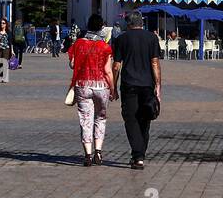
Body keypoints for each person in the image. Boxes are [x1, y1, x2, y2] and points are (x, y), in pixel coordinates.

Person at [111, 10, 161, 170]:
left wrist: (113, 86)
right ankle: (139, 155)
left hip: (129, 84)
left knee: (131, 119)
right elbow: (155, 63)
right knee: (145, 119)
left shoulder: (121, 38)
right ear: (141, 22)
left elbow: (116, 65)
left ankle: (138, 155)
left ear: (129, 23)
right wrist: (158, 85)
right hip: (147, 85)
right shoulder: (152, 38)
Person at [68, 14, 116, 166]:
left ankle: (87, 155)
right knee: (100, 118)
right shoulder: (105, 47)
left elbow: (72, 64)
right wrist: (113, 89)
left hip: (83, 85)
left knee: (85, 119)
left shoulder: (79, 43)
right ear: (102, 27)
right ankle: (99, 152)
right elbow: (108, 70)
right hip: (101, 86)